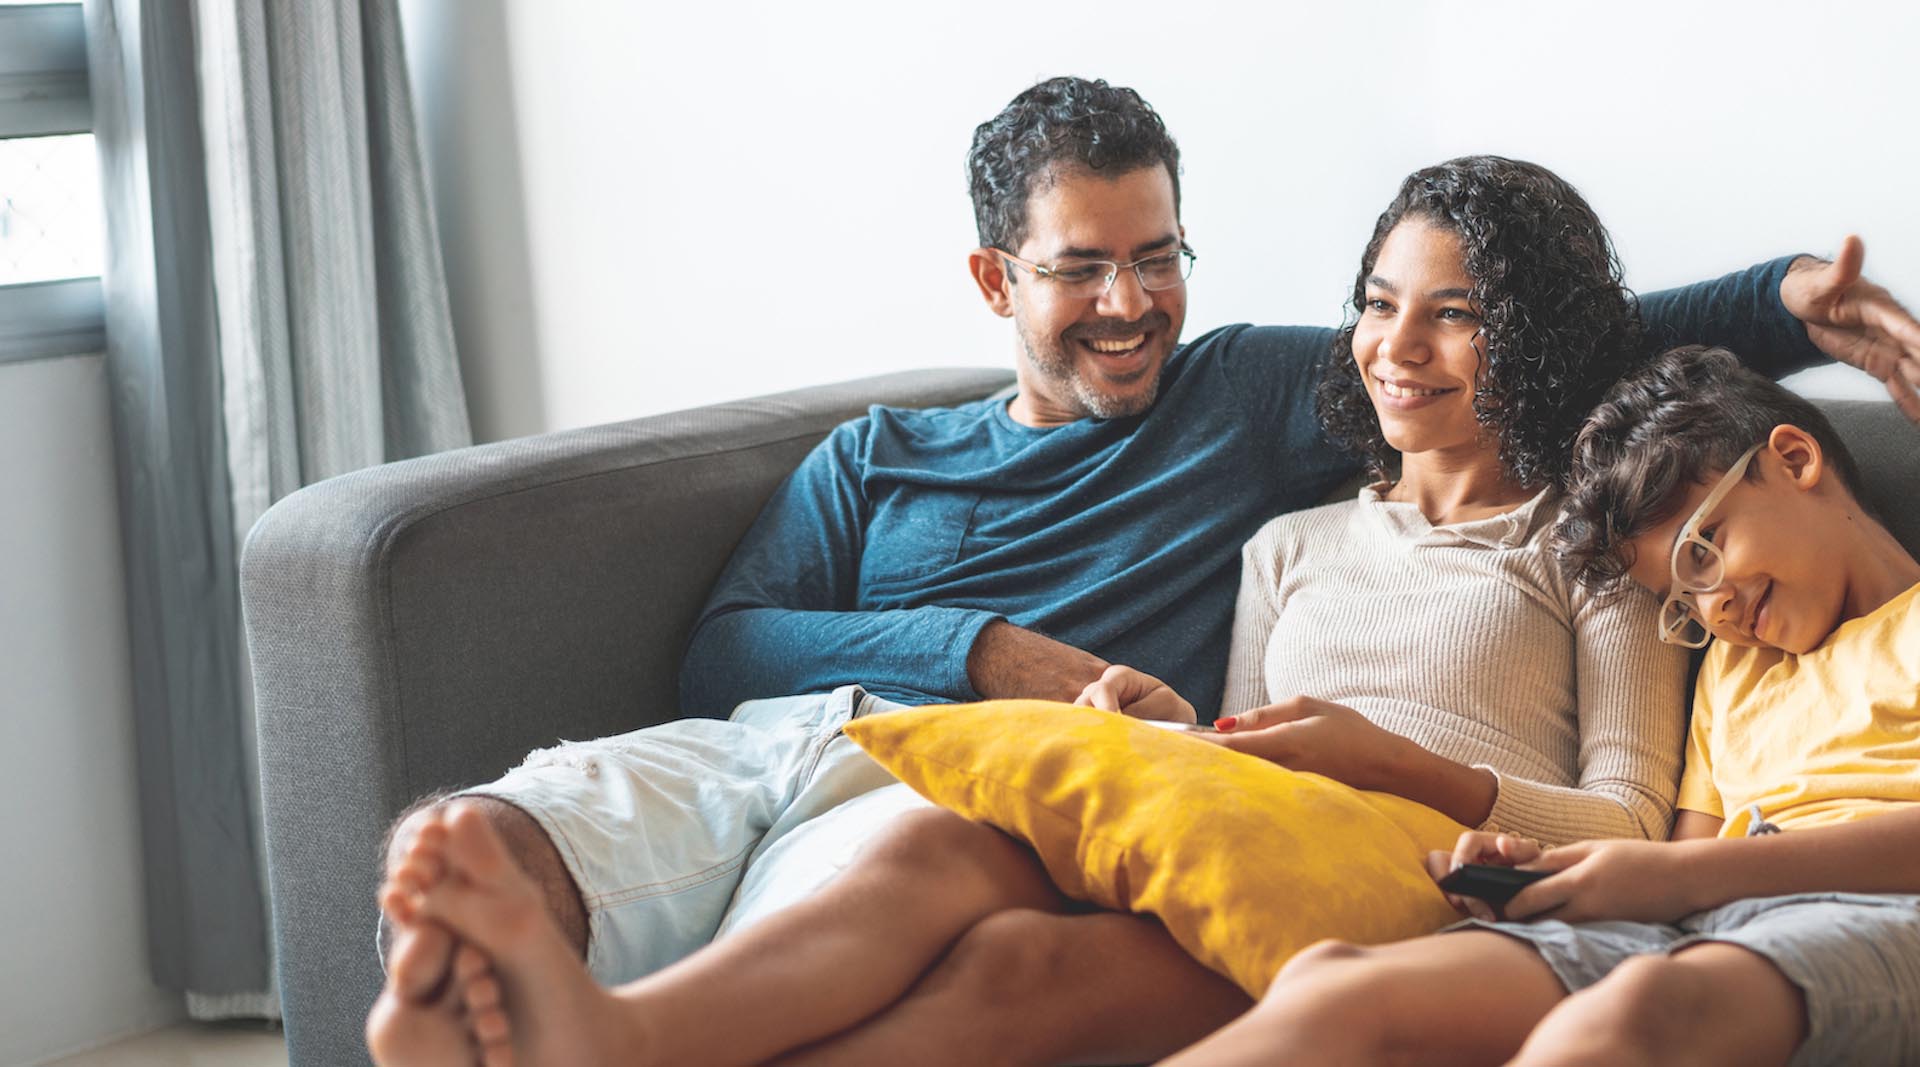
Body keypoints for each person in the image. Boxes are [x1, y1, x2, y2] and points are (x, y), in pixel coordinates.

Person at [372, 75, 1920, 1066]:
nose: (1393, 347)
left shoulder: (1560, 537)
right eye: (1376, 306)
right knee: (950, 874)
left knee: (996, 939)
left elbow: (1630, 819)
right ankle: (617, 1033)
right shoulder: (1283, 526)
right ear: (999, 280)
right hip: (1156, 794)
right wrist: (1022, 667)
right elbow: (1216, 744)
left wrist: (1789, 298)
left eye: (1158, 255)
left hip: (1411, 861)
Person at [1156, 344, 1920, 1067]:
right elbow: (1683, 865)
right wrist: (1556, 874)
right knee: (1335, 984)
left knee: (1645, 1007)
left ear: (1794, 460)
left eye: (1702, 550)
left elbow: (1693, 875)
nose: (1713, 606)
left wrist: (1694, 878)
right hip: (1707, 920)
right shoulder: (1737, 665)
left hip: (1875, 912)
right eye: (1683, 600)